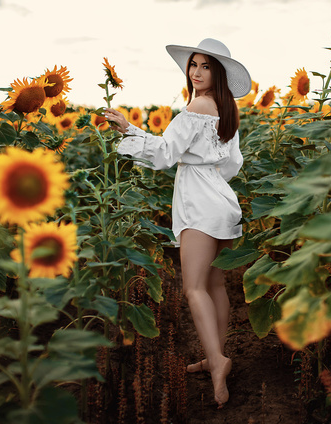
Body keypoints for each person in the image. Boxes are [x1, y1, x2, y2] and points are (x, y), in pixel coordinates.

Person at [103, 38, 251, 409]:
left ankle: (217, 362)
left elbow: (166, 155)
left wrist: (127, 132)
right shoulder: (226, 109)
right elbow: (233, 163)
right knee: (216, 285)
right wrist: (206, 173)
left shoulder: (197, 105)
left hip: (200, 205)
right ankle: (217, 354)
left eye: (205, 67)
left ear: (216, 73)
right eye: (193, 65)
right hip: (222, 201)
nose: (196, 72)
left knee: (193, 289)